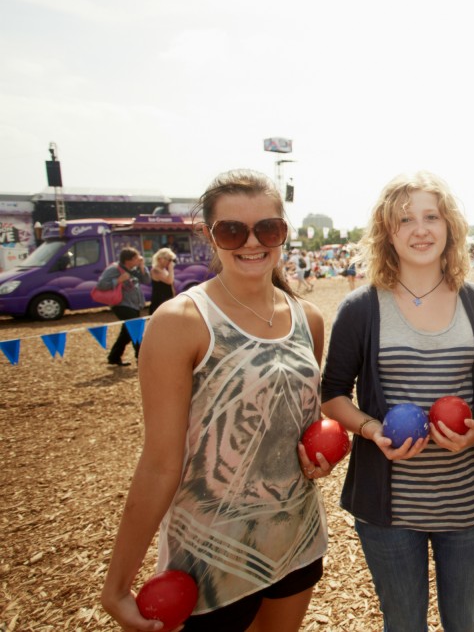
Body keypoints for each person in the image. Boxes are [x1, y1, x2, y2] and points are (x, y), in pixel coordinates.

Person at [101, 169, 330, 631]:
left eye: (268, 228)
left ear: (283, 233)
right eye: (232, 229)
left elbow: (302, 425)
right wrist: (117, 584)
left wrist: (316, 457)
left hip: (298, 539)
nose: (252, 241)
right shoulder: (180, 321)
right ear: (210, 235)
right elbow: (160, 463)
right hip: (209, 559)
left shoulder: (309, 319)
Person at [320, 171, 474, 631]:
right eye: (404, 220)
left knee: (466, 621)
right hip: (389, 507)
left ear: (449, 227)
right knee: (403, 624)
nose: (420, 229)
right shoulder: (362, 308)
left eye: (431, 216)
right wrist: (372, 429)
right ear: (387, 233)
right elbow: (332, 394)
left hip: (464, 501)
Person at [95, 246, 150, 367]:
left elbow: (146, 280)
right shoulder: (114, 269)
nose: (139, 259)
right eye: (136, 258)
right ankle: (141, 359)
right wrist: (118, 280)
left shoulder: (135, 268)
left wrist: (142, 267)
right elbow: (101, 285)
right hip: (122, 305)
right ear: (127, 260)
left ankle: (114, 357)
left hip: (135, 305)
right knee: (136, 330)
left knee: (126, 333)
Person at [149, 247, 177, 314]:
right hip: (159, 304)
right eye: (169, 259)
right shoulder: (155, 270)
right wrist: (171, 268)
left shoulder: (164, 270)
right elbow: (169, 281)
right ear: (160, 259)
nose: (170, 262)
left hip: (167, 302)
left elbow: (171, 285)